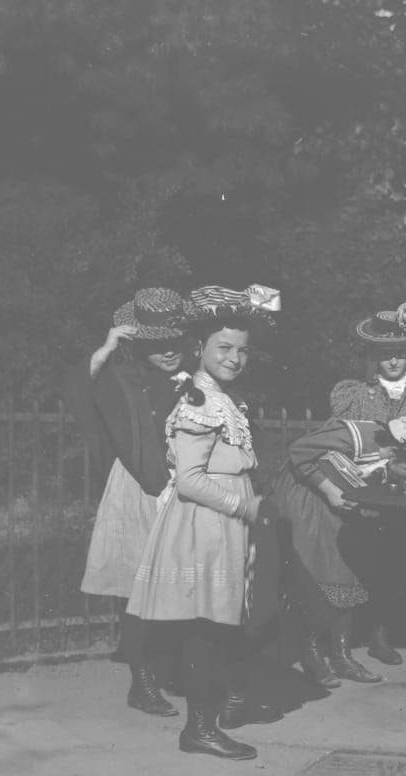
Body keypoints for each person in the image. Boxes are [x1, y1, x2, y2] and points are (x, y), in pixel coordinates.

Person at [127, 283, 282, 761]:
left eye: (242, 350)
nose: (235, 357)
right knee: (206, 628)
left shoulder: (223, 399)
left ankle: (211, 717)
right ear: (200, 348)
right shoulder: (198, 401)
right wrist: (245, 507)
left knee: (219, 626)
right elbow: (191, 480)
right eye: (224, 347)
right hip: (206, 524)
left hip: (225, 523)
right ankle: (199, 728)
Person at [63, 287, 188, 718]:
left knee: (181, 585)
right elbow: (79, 393)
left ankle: (172, 669)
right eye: (157, 344)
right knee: (139, 589)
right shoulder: (120, 377)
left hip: (184, 487)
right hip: (138, 487)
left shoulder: (190, 379)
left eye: (176, 341)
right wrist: (106, 348)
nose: (169, 351)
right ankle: (143, 681)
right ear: (139, 344)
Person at [274, 418, 406, 688]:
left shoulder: (393, 459)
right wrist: (329, 490)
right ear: (401, 451)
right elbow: (299, 451)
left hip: (339, 504)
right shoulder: (355, 435)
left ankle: (341, 655)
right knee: (315, 574)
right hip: (308, 497)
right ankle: (311, 653)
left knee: (349, 571)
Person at [329, 300, 406, 666]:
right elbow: (342, 441)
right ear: (373, 357)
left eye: (399, 354)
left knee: (397, 562)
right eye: (385, 355)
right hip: (364, 487)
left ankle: (382, 633)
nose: (393, 362)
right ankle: (345, 638)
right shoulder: (352, 395)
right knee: (356, 559)